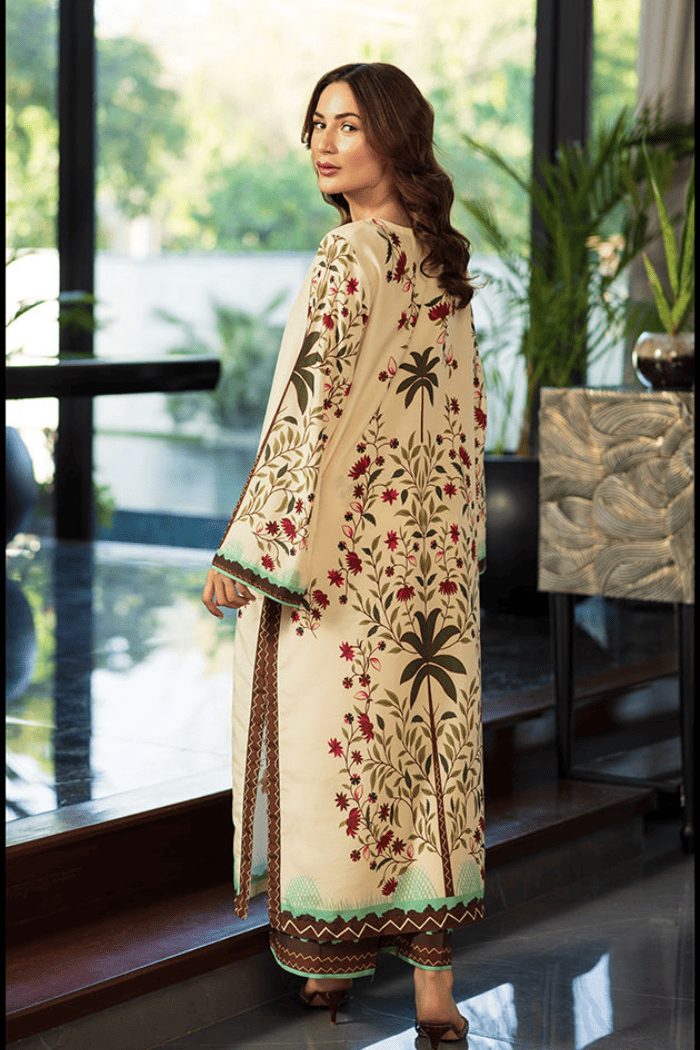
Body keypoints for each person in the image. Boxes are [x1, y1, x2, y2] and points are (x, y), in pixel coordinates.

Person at [202, 61, 487, 1048]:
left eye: (348, 126)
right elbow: (464, 424)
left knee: (337, 758)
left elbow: (305, 414)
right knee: (424, 764)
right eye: (315, 124)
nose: (323, 143)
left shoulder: (347, 255)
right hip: (428, 568)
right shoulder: (441, 259)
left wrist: (246, 552)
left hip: (336, 565)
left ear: (395, 137)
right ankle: (433, 995)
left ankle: (329, 970)